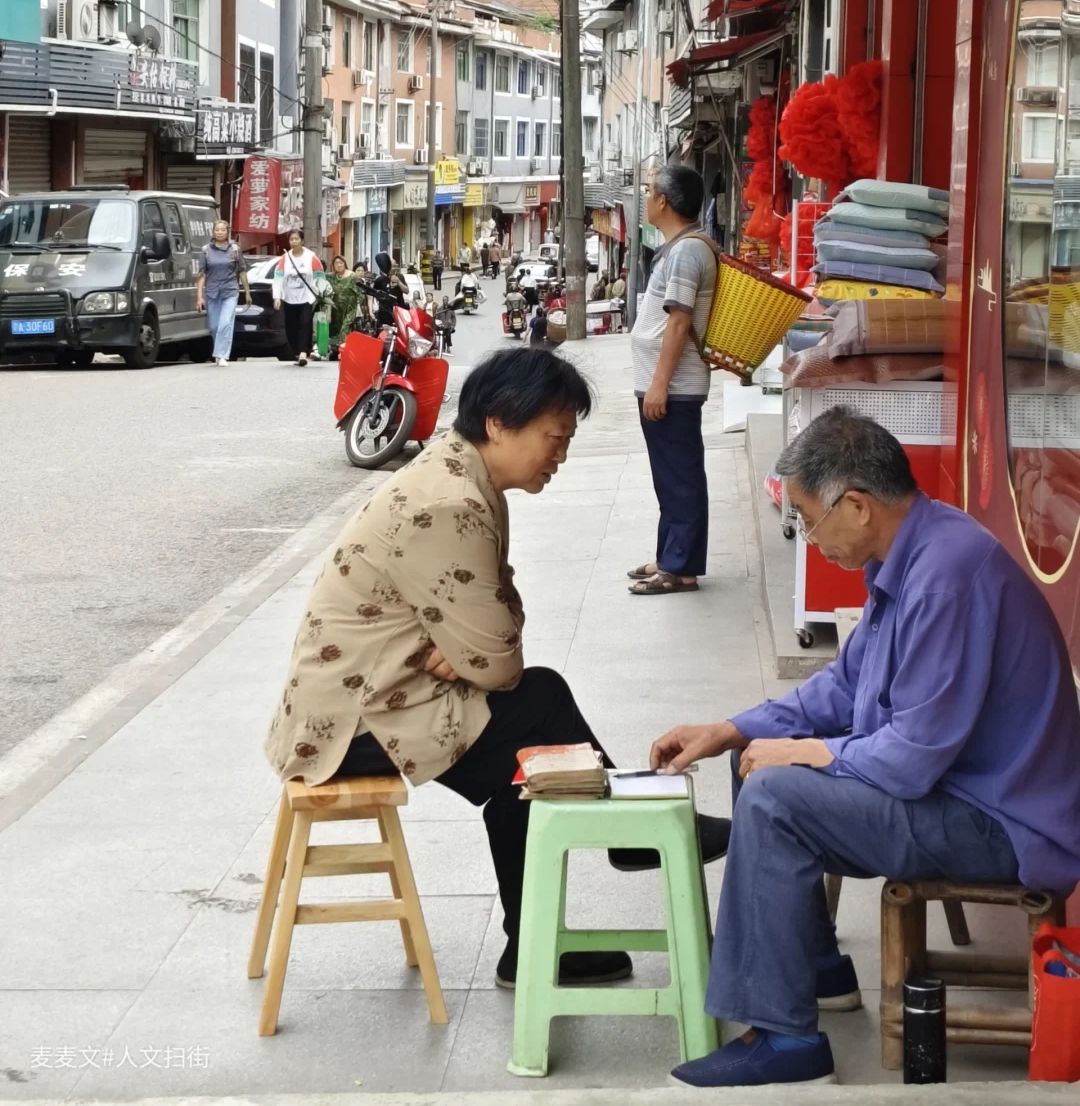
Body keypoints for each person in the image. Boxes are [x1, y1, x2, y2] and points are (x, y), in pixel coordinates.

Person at [265, 350, 730, 988]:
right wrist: (469, 652)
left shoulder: (465, 476)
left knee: (530, 747)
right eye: (554, 437)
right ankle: (604, 855)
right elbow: (500, 659)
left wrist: (468, 648)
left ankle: (539, 937)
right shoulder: (451, 502)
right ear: (499, 424)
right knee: (533, 710)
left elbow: (498, 621)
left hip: (379, 695)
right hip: (351, 724)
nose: (560, 454)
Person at [651, 406, 1080, 1090]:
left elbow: (912, 756)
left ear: (855, 505)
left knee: (774, 795)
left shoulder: (947, 573)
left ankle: (785, 1037)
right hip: (958, 791)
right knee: (756, 753)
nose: (808, 537)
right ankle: (813, 963)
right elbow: (846, 686)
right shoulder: (912, 552)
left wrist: (809, 757)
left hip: (1004, 824)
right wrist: (730, 729)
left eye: (807, 519)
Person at [628, 165, 717, 597]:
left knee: (680, 477)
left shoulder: (686, 253)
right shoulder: (679, 248)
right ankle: (670, 555)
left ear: (664, 201)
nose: (646, 199)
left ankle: (681, 568)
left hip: (675, 388)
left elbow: (679, 323)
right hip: (668, 385)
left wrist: (660, 384)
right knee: (670, 477)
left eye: (649, 193)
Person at [194, 219, 251, 366]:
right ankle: (219, 352)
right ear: (213, 232)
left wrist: (247, 292)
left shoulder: (235, 249)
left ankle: (222, 355)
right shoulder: (206, 250)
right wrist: (199, 297)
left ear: (227, 232)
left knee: (225, 323)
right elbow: (201, 275)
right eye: (217, 230)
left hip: (230, 290)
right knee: (214, 326)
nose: (220, 232)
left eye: (223, 230)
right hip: (212, 291)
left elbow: (242, 271)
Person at [272, 229, 325, 366]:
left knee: (305, 324)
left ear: (302, 240)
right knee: (291, 327)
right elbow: (278, 278)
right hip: (289, 298)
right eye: (291, 239)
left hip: (307, 297)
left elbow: (320, 275)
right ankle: (297, 351)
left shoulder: (311, 257)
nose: (294, 242)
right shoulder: (285, 258)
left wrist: (321, 292)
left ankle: (303, 352)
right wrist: (277, 297)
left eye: (296, 239)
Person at [327, 255, 360, 357]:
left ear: (345, 264)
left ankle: (342, 351)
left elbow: (360, 292)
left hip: (350, 308)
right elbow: (319, 275)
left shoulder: (353, 276)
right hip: (336, 309)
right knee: (335, 330)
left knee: (344, 327)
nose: (339, 265)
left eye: (341, 263)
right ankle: (335, 350)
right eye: (336, 263)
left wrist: (359, 305)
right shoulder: (331, 277)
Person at [371, 250, 407, 328]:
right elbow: (372, 294)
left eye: (395, 266)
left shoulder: (400, 276)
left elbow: (407, 291)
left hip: (400, 311)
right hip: (385, 313)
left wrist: (398, 282)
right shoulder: (380, 280)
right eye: (392, 266)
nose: (394, 268)